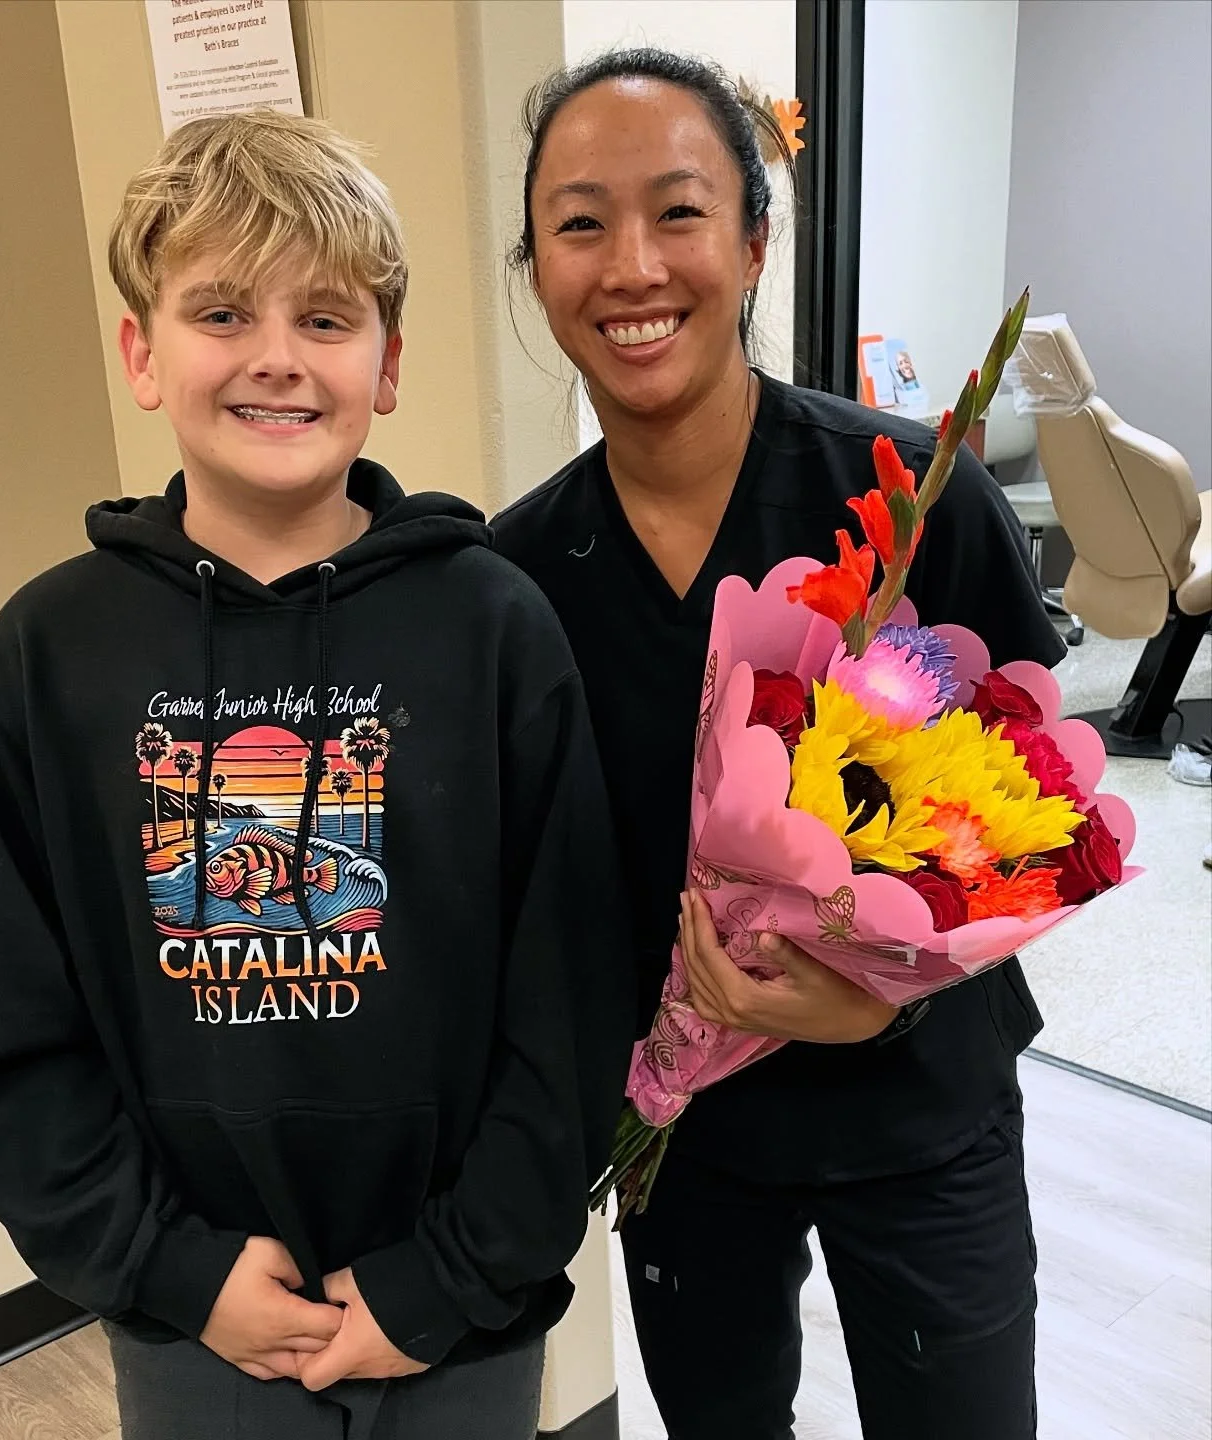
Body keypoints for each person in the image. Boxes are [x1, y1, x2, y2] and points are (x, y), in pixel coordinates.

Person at [0, 110, 634, 1440]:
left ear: (388, 365)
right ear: (144, 353)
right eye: (220, 312)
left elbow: (570, 1009)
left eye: (326, 318)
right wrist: (175, 1271)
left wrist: (453, 1268)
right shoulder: (43, 659)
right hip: (201, 1318)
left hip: (462, 1306)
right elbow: (16, 1045)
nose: (276, 358)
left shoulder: (495, 630)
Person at [494, 49, 1062, 1440]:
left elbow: (1040, 811)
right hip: (685, 1139)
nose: (631, 266)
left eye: (679, 212)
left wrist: (892, 996)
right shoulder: (516, 581)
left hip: (922, 1112)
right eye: (579, 222)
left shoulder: (913, 504)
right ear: (537, 269)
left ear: (754, 244)